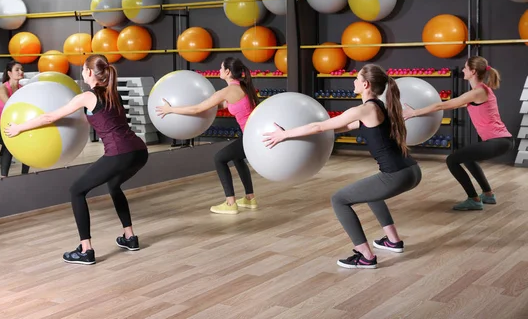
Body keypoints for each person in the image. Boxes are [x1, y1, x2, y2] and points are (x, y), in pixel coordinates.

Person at [263, 64, 422, 269]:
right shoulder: (380, 107)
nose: (353, 82)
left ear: (365, 84)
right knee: (371, 193)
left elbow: (319, 126)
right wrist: (309, 133)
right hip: (412, 170)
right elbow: (341, 127)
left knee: (339, 199)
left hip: (396, 175)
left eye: (356, 79)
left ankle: (365, 256)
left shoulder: (364, 109)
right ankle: (393, 241)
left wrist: (284, 134)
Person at [5, 55, 148, 265]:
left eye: (83, 69)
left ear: (90, 72)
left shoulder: (87, 96)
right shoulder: (111, 93)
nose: (82, 72)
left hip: (119, 153)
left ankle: (86, 249)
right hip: (139, 151)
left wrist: (19, 128)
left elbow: (49, 117)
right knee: (114, 185)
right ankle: (130, 237)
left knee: (76, 190)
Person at [403, 56, 513, 211]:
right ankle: (488, 194)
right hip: (502, 140)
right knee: (467, 158)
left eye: (465, 67)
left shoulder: (478, 92)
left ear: (473, 71)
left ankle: (474, 199)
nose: (462, 70)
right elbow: (452, 105)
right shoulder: (479, 91)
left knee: (452, 160)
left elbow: (444, 105)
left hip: (499, 141)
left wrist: (414, 113)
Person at [156, 58, 258, 215]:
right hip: (252, 135)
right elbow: (217, 105)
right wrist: (192, 103)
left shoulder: (227, 92)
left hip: (250, 137)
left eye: (221, 68)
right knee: (237, 158)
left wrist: (171, 109)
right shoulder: (242, 88)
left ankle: (230, 203)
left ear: (228, 72)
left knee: (219, 159)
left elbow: (197, 109)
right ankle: (250, 199)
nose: (219, 70)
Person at [0, 61, 30, 177]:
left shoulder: (22, 88)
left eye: (22, 69)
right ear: (9, 73)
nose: (21, 72)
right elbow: (11, 105)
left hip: (9, 124)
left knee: (26, 143)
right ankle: (4, 177)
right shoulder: (2, 89)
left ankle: (25, 175)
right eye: (17, 70)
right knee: (10, 144)